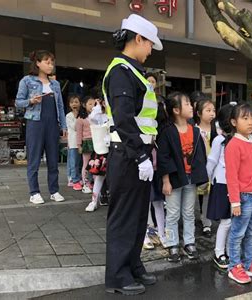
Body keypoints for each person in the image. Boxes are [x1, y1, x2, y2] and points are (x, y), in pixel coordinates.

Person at [102, 14, 163, 295]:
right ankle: (117, 275)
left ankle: (133, 265)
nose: (151, 50)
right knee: (124, 217)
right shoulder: (121, 72)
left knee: (139, 216)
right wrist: (139, 155)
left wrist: (146, 153)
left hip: (138, 153)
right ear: (137, 39)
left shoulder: (133, 71)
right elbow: (124, 119)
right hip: (127, 155)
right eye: (150, 44)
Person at [157, 92, 208, 262]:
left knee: (188, 212)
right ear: (177, 110)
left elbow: (200, 157)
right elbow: (163, 158)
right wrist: (166, 181)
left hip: (190, 179)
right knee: (172, 214)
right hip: (174, 179)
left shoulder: (195, 131)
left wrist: (200, 178)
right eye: (187, 104)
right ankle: (172, 244)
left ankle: (189, 242)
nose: (191, 107)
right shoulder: (167, 132)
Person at [15, 50, 66, 204]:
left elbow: (60, 107)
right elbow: (18, 102)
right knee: (34, 159)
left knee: (53, 159)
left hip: (52, 124)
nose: (50, 65)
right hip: (35, 123)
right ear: (37, 63)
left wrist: (63, 126)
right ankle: (34, 192)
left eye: (52, 62)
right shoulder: (27, 81)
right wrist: (31, 101)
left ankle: (54, 190)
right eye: (47, 61)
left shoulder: (55, 84)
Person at [225, 103, 252, 284]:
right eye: (245, 118)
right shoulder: (233, 145)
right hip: (243, 197)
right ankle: (234, 266)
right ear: (234, 122)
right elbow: (232, 176)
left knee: (250, 232)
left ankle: (249, 263)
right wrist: (235, 202)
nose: (250, 122)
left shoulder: (250, 142)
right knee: (238, 233)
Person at [206, 103, 234, 269]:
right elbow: (211, 162)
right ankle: (219, 252)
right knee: (226, 221)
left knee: (232, 220)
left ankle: (229, 250)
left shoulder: (235, 140)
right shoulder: (219, 140)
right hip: (222, 184)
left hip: (234, 185)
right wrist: (208, 181)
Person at [143, 72, 167, 250]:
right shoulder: (141, 101)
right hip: (143, 163)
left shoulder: (159, 103)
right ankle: (145, 233)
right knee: (144, 202)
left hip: (157, 168)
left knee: (158, 201)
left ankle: (162, 231)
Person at [195, 98, 217, 238]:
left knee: (208, 195)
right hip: (199, 167)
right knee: (197, 195)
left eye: (213, 110)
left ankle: (206, 223)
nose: (211, 113)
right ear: (199, 113)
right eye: (208, 110)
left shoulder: (216, 130)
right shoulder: (195, 130)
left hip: (213, 168)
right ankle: (196, 221)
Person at [85, 99, 110, 212]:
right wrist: (98, 107)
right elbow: (92, 119)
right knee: (99, 177)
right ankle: (94, 201)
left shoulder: (117, 113)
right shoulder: (100, 115)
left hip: (116, 149)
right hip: (103, 150)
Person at [76, 96, 95, 194]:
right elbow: (78, 133)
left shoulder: (96, 116)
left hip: (96, 141)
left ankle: (95, 182)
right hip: (86, 142)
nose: (92, 106)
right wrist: (79, 145)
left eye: (94, 104)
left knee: (96, 163)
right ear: (84, 105)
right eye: (90, 104)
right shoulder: (80, 119)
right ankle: (85, 183)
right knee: (86, 164)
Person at [66, 94, 82, 189]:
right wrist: (76, 116)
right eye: (72, 102)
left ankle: (76, 177)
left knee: (79, 162)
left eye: (76, 102)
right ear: (69, 105)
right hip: (73, 142)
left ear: (80, 103)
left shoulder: (83, 114)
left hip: (81, 141)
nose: (74, 104)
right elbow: (75, 127)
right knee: (73, 162)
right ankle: (74, 179)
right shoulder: (69, 116)